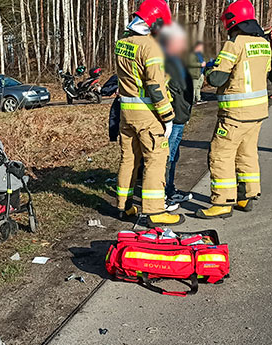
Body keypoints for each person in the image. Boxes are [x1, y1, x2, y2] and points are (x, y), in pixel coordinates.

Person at [196, 0, 270, 219]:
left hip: (236, 113)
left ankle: (222, 201)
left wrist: (209, 72)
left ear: (233, 20)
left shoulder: (234, 43)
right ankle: (247, 195)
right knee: (247, 153)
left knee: (221, 154)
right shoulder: (263, 43)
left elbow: (218, 77)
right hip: (257, 112)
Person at [114, 0, 184, 227]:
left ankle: (123, 207)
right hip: (148, 114)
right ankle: (155, 212)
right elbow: (155, 86)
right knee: (156, 159)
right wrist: (168, 116)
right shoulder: (150, 46)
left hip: (127, 112)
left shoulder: (122, 43)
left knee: (129, 159)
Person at [159, 24, 194, 208]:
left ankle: (170, 189)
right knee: (168, 156)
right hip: (173, 117)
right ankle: (164, 195)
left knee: (173, 155)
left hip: (179, 116)